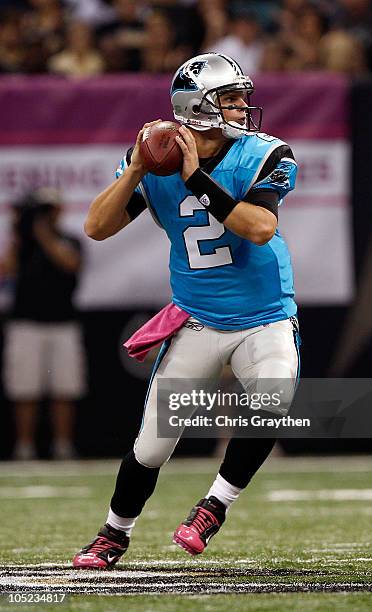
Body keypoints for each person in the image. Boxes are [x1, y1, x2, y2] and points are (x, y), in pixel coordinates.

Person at [72, 52, 300, 569]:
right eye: (231, 98)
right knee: (152, 445)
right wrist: (135, 169)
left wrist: (197, 178)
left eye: (243, 97)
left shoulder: (266, 153)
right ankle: (113, 533)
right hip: (197, 315)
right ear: (197, 107)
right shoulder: (158, 159)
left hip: (264, 313)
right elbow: (96, 227)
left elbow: (260, 228)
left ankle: (214, 504)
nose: (244, 107)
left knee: (274, 397)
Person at [1, 188, 87, 460]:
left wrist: (43, 233)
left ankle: (63, 446)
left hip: (63, 323)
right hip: (25, 323)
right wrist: (18, 234)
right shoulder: (22, 244)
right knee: (24, 389)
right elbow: (6, 271)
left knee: (65, 388)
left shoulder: (69, 240)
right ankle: (25, 447)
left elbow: (71, 264)